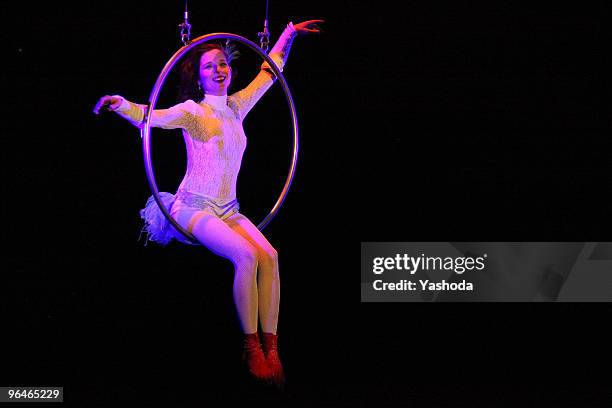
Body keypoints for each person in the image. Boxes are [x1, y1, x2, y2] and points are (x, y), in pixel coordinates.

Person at [93, 19, 324, 388]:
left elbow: (271, 70)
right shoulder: (192, 111)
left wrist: (289, 33)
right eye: (209, 66)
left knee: (271, 256)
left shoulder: (236, 106)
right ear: (199, 78)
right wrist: (120, 104)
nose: (219, 70)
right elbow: (152, 117)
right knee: (246, 257)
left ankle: (272, 347)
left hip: (227, 208)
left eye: (222, 63)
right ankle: (251, 347)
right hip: (193, 207)